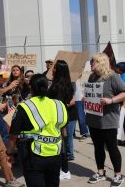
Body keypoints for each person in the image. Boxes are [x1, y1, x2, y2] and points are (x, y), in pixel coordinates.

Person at [7, 74, 68, 187]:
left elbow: (13, 134)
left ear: (31, 87)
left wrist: (9, 153)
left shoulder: (24, 107)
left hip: (32, 157)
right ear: (47, 87)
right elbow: (63, 130)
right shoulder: (59, 105)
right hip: (55, 155)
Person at [86, 53, 125, 186]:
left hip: (108, 120)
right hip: (93, 119)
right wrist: (87, 98)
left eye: (93, 62)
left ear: (101, 63)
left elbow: (124, 92)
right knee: (98, 147)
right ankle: (100, 172)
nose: (91, 64)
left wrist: (111, 100)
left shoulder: (112, 76)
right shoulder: (91, 77)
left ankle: (118, 174)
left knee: (112, 147)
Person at [48, 60, 78, 180]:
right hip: (64, 117)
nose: (52, 70)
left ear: (59, 70)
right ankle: (63, 169)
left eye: (55, 68)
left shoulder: (58, 86)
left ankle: (64, 170)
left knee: (61, 145)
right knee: (62, 144)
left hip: (60, 119)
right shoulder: (63, 83)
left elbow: (59, 104)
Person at [75, 77, 89, 141]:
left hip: (79, 99)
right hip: (70, 98)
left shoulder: (80, 77)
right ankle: (72, 133)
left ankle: (84, 133)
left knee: (81, 117)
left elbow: (85, 86)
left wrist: (84, 95)